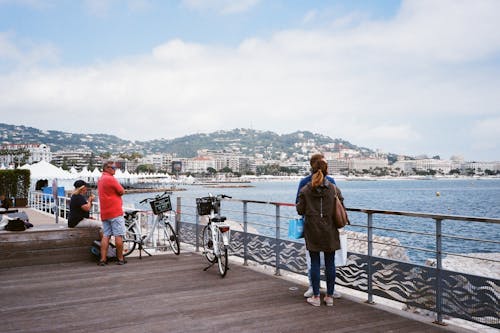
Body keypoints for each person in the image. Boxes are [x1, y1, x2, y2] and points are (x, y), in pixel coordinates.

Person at [296, 156, 340, 307]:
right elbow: (340, 205)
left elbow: (299, 209)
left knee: (314, 262)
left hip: (312, 228)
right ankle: (329, 296)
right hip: (330, 228)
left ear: (312, 168)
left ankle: (315, 297)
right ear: (326, 169)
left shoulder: (305, 188)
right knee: (330, 262)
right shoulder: (333, 187)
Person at [97, 161, 126, 266]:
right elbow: (121, 191)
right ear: (106, 168)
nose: (115, 169)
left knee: (106, 236)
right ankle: (120, 259)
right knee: (118, 236)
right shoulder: (110, 179)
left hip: (105, 212)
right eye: (113, 168)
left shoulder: (100, 179)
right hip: (115, 212)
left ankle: (103, 260)